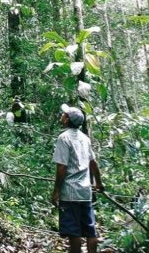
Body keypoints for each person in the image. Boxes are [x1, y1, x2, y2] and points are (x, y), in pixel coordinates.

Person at [51, 104, 105, 253]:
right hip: (85, 192)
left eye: (64, 114)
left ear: (68, 120)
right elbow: (93, 162)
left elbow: (62, 168)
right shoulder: (85, 138)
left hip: (70, 192)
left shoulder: (63, 138)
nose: (62, 116)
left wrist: (56, 191)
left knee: (74, 232)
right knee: (89, 230)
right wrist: (99, 183)